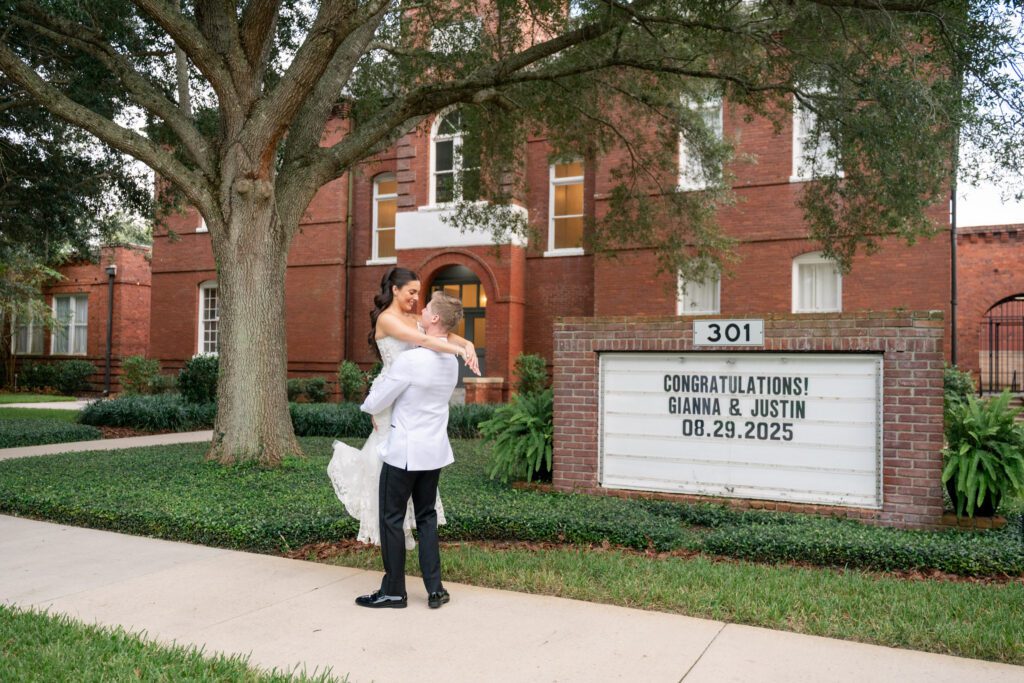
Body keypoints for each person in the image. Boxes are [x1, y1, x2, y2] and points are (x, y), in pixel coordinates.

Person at [327, 267, 479, 549]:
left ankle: (404, 526)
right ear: (395, 290)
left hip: (410, 393)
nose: (415, 298)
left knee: (411, 460)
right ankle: (386, 529)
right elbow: (422, 340)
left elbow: (442, 335)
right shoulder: (387, 319)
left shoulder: (414, 318)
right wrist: (458, 351)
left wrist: (467, 343)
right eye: (411, 292)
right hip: (389, 395)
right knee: (389, 458)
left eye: (418, 293)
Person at [355, 291, 463, 609]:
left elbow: (376, 402)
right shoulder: (451, 361)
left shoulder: (412, 360)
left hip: (403, 453)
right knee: (426, 517)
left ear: (434, 319)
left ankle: (393, 590)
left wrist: (368, 403)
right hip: (434, 452)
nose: (421, 311)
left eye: (426, 308)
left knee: (391, 518)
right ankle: (435, 588)